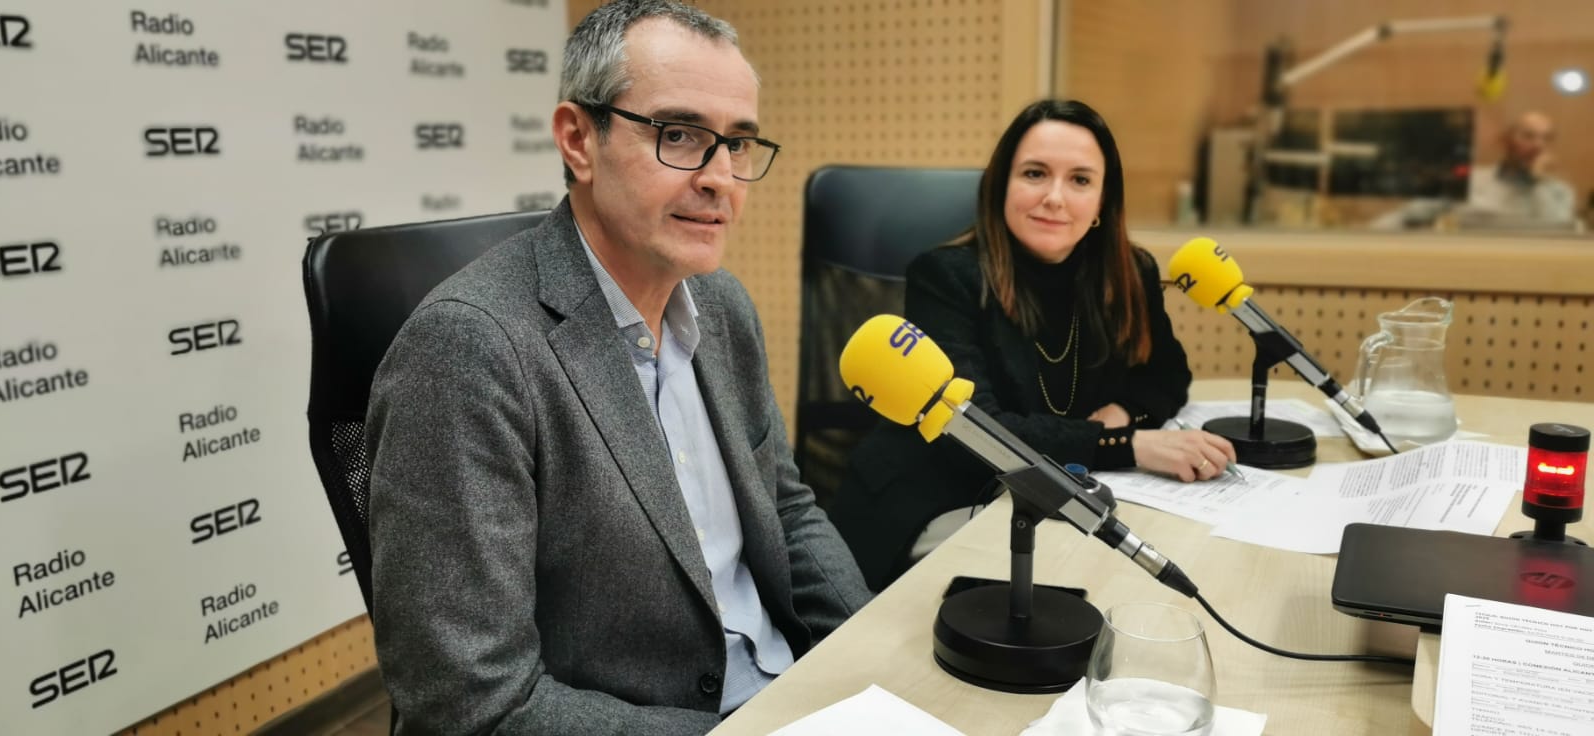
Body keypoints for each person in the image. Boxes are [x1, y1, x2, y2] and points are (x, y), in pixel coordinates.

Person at [364, 2, 872, 733]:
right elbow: (474, 703)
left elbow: (786, 513)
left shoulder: (722, 305)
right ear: (578, 140)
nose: (720, 178)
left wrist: (869, 657)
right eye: (680, 135)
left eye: (738, 145)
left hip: (786, 693)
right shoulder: (468, 351)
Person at [829, 99, 1236, 591]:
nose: (1055, 197)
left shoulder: (1132, 273)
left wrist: (1121, 414)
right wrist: (1123, 444)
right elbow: (974, 430)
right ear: (1001, 185)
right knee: (1090, 583)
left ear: (1103, 201)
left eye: (1080, 180)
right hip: (944, 496)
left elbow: (1167, 376)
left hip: (1055, 491)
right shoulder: (946, 277)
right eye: (1035, 173)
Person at [1462, 110, 1577, 227]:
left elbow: (1558, 229)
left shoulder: (1560, 191)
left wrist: (1539, 182)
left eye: (1546, 138)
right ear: (1507, 141)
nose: (1538, 145)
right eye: (1528, 136)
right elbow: (1459, 220)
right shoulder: (1472, 181)